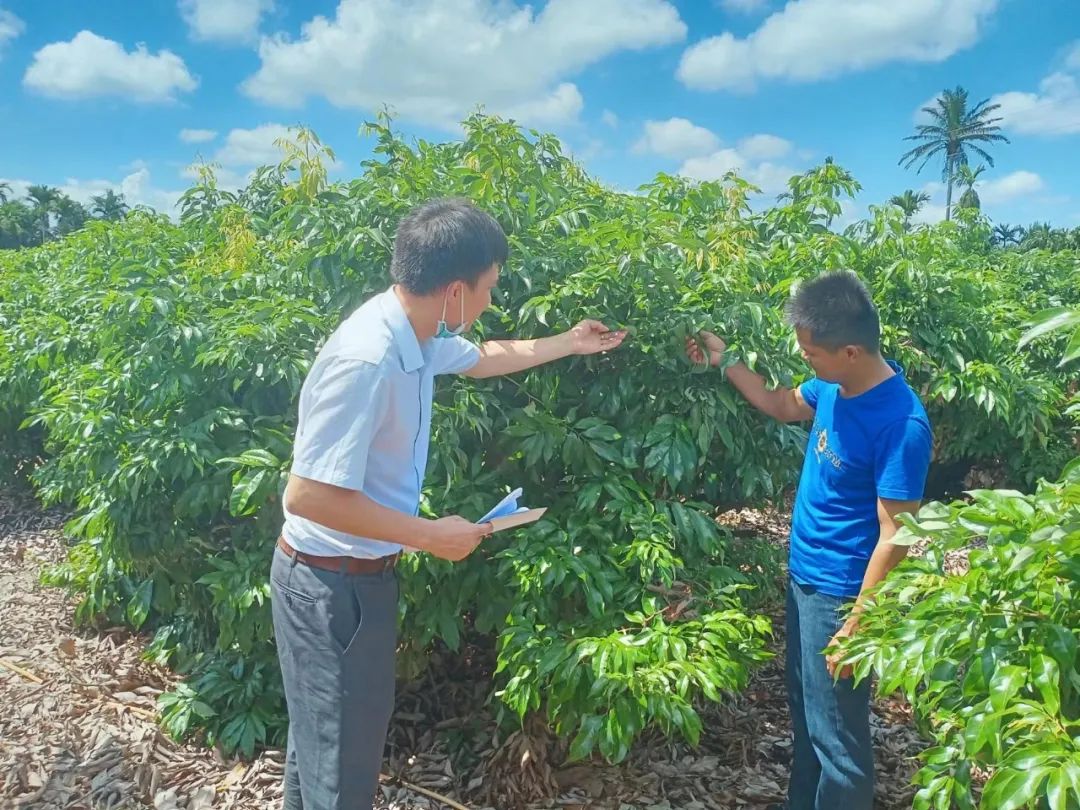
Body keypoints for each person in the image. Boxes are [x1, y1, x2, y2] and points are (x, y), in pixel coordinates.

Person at [271, 197, 627, 810]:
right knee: (340, 769)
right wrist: (429, 535)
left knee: (327, 753)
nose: (490, 303)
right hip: (330, 589)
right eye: (488, 289)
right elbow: (307, 495)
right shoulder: (368, 358)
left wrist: (571, 341)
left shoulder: (415, 332)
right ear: (456, 291)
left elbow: (487, 358)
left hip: (354, 580)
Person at [685, 270, 931, 810]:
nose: (807, 363)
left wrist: (858, 623)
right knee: (810, 724)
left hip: (841, 596)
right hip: (806, 582)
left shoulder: (901, 423)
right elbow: (777, 403)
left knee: (839, 744)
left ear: (849, 350)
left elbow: (898, 534)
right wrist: (724, 360)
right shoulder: (834, 387)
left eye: (812, 354)